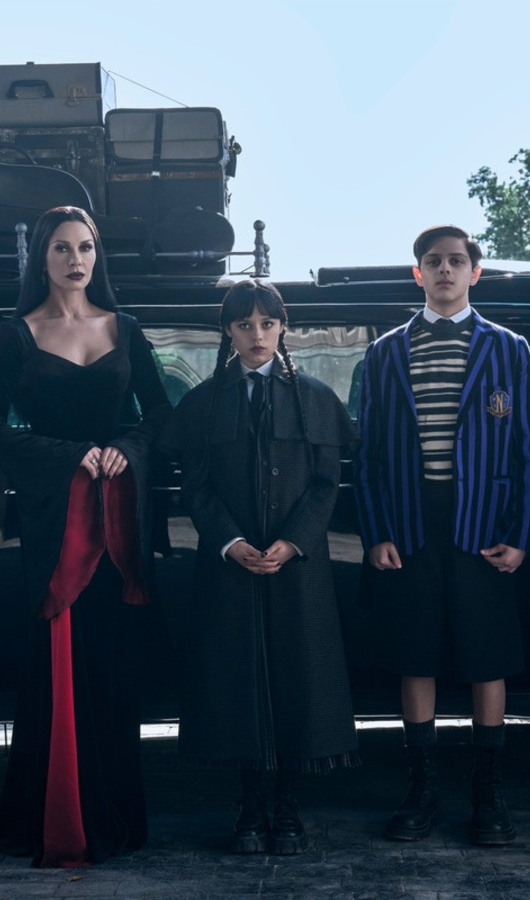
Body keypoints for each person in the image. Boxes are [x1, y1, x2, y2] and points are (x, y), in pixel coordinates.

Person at [0, 206, 171, 868]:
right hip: (56, 525)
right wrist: (69, 457)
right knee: (61, 661)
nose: (76, 259)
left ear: (97, 255)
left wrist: (124, 449)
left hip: (118, 523)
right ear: (42, 257)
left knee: (113, 664)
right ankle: (64, 821)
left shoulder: (125, 328)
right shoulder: (15, 335)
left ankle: (115, 814)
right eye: (61, 248)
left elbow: (159, 413)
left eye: (85, 247)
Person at [354, 225, 530, 846]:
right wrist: (377, 531)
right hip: (411, 524)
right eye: (433, 261)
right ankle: (423, 788)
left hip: (484, 525)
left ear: (473, 273)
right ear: (418, 274)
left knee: (488, 658)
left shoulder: (509, 349)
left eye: (456, 261)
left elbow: (528, 451)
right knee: (416, 655)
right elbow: (370, 455)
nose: (444, 270)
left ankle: (488, 793)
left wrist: (522, 534)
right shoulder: (385, 352)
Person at [162, 280, 359, 855]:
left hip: (299, 566)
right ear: (228, 331)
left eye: (267, 324)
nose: (256, 335)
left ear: (282, 327)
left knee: (298, 677)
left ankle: (288, 805)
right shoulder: (203, 403)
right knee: (236, 679)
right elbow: (195, 488)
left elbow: (326, 484)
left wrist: (294, 542)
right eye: (244, 324)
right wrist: (229, 542)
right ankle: (249, 805)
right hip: (229, 567)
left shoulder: (315, 398)